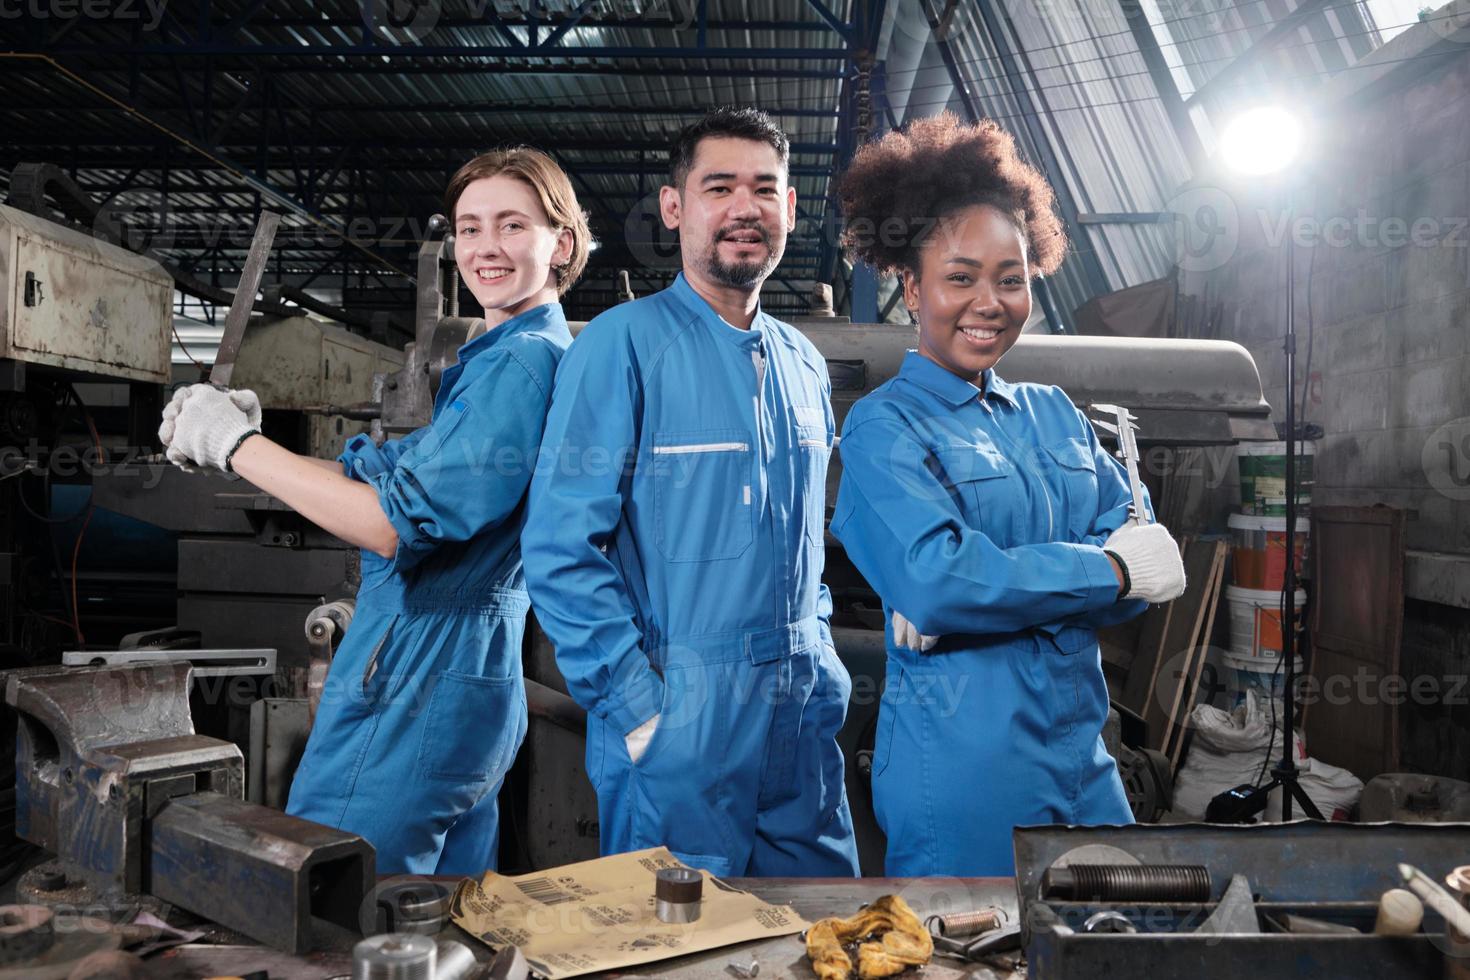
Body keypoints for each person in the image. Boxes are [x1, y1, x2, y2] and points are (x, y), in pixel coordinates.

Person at [157, 148, 590, 875]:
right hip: (470, 682)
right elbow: (388, 477)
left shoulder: (518, 367)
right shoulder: (515, 353)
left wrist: (234, 446)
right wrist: (256, 444)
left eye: (513, 225)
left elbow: (393, 524)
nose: (486, 248)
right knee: (435, 925)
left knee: (338, 908)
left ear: (562, 243)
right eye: (471, 227)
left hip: (414, 681)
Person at [829, 113, 1187, 877]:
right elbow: (937, 580)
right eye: (960, 277)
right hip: (962, 780)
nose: (987, 302)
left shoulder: (1056, 414)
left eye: (1011, 278)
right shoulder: (883, 429)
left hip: (1086, 765)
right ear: (912, 284)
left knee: (1116, 946)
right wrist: (1102, 572)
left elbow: (1150, 568)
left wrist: (1001, 587)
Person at [522, 107, 860, 878]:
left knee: (821, 934)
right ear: (676, 208)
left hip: (800, 725)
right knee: (678, 949)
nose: (746, 208)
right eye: (720, 187)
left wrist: (823, 652)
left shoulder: (804, 365)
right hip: (682, 724)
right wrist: (640, 714)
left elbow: (806, 545)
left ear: (790, 209)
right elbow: (560, 550)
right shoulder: (621, 347)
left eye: (765, 189)